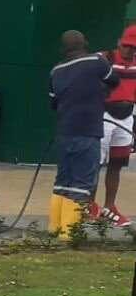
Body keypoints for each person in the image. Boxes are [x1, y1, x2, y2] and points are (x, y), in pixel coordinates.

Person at [49, 30, 119, 236]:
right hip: (87, 131)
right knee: (82, 183)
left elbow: (54, 102)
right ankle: (69, 235)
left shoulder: (55, 70)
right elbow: (114, 80)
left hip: (64, 132)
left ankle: (55, 229)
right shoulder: (96, 62)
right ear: (85, 43)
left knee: (62, 181)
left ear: (64, 49)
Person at [98, 24, 136, 227]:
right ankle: (87, 206)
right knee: (94, 163)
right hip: (103, 115)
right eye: (127, 45)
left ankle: (109, 206)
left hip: (126, 116)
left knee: (117, 164)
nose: (130, 50)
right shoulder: (104, 58)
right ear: (119, 42)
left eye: (134, 47)